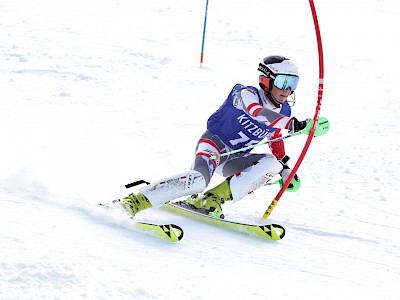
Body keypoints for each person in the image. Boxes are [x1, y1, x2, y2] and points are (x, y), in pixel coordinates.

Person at [121, 55, 310, 219]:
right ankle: (136, 201)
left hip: (236, 158)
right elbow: (257, 112)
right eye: (283, 82)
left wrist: (285, 169)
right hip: (214, 146)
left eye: (293, 83)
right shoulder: (246, 93)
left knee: (272, 164)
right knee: (198, 181)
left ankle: (212, 199)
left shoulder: (284, 110)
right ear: (266, 80)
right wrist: (292, 124)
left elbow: (275, 136)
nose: (287, 90)